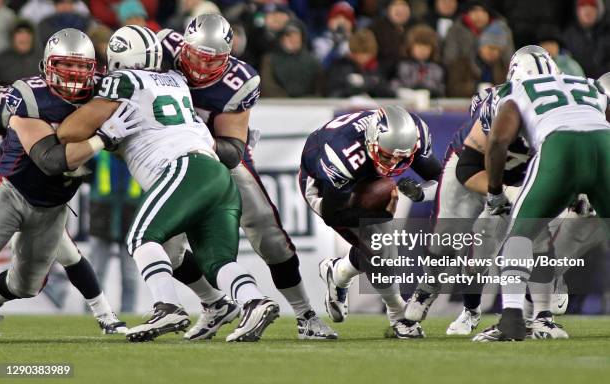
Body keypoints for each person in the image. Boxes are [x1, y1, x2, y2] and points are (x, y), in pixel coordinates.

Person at [57, 25, 281, 343]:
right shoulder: (176, 80)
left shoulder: (125, 81)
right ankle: (253, 300)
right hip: (217, 173)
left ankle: (168, 306)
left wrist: (102, 134)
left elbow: (69, 132)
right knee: (216, 260)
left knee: (142, 237)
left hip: (182, 168)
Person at [158, 14, 337, 340]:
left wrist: (195, 133)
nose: (200, 64)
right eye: (196, 54)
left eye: (212, 60)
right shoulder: (159, 49)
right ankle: (213, 304)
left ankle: (305, 315)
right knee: (165, 250)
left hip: (219, 156)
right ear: (183, 46)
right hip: (171, 162)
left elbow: (231, 150)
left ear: (227, 58)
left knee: (268, 234)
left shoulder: (238, 80)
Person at [0, 28, 132, 334]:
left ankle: (107, 317)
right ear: (47, 65)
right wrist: (101, 138)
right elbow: (51, 161)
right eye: (65, 65)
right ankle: (107, 317)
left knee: (26, 285)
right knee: (70, 255)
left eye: (81, 66)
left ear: (93, 69)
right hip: (10, 189)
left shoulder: (103, 94)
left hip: (52, 205)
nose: (73, 74)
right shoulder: (30, 96)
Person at [473, 51, 610, 342]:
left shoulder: (517, 89)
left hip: (558, 144)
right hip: (605, 143)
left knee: (519, 234)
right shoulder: (587, 83)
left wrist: (495, 191)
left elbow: (498, 140)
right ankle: (543, 318)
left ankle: (511, 319)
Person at [300, 106, 443, 338]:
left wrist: (420, 193)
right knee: (382, 247)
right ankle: (398, 314)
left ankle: (338, 272)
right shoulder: (342, 153)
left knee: (379, 246)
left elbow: (442, 180)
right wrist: (381, 213)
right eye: (388, 155)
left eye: (402, 157)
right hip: (324, 188)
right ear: (372, 141)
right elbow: (333, 215)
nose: (394, 163)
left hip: (361, 175)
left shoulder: (414, 135)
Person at [87, 152, 141, 313]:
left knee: (129, 276)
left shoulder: (140, 156)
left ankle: (128, 314)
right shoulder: (98, 156)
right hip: (102, 220)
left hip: (131, 222)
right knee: (95, 273)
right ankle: (93, 314)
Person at [324, 28, 394, 98]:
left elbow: (388, 94)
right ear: (352, 53)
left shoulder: (377, 68)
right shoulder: (340, 67)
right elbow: (332, 94)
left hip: (373, 107)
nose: (363, 58)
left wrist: (372, 85)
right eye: (359, 53)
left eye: (367, 54)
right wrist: (355, 88)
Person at [260, 19, 322, 97]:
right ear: (281, 38)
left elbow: (319, 90)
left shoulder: (313, 62)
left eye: (297, 35)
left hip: (307, 106)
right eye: (289, 35)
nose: (293, 39)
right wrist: (287, 100)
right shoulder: (269, 60)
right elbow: (267, 86)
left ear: (302, 38)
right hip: (277, 106)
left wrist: (305, 101)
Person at [391, 24, 445, 98]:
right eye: (419, 47)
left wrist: (430, 92)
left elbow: (440, 89)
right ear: (410, 47)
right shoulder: (402, 66)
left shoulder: (436, 69)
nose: (422, 51)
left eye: (426, 48)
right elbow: (394, 85)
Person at [312, 1, 356, 69]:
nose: (341, 22)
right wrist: (335, 47)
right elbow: (318, 68)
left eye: (346, 18)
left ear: (352, 24)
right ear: (329, 22)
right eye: (337, 17)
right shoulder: (319, 43)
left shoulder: (356, 44)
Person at [0, 20, 42, 86]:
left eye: (28, 32)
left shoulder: (42, 59)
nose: (24, 36)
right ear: (12, 37)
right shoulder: (1, 60)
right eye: (19, 32)